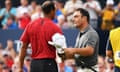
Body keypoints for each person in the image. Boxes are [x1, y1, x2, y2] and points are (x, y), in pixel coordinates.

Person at [18, 1, 65, 72]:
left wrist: (20, 67)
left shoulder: (30, 25)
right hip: (49, 64)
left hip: (34, 65)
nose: (55, 13)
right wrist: (62, 66)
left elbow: (23, 47)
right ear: (52, 11)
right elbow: (61, 50)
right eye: (55, 10)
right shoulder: (55, 28)